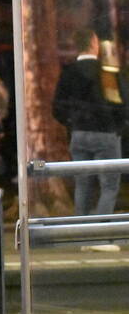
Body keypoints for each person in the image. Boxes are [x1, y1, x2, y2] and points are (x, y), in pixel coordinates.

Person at [53, 28, 127, 217]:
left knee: (83, 183)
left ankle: (82, 232)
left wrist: (72, 124)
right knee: (109, 185)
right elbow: (120, 103)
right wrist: (118, 127)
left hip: (79, 134)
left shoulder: (68, 72)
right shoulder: (106, 72)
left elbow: (58, 107)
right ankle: (100, 235)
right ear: (94, 44)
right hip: (106, 133)